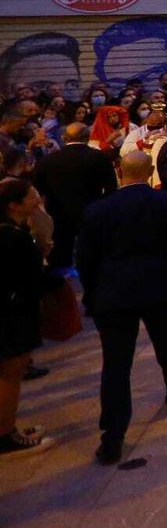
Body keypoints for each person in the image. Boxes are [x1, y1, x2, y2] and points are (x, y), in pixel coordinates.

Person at [77, 151, 167, 465]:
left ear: (120, 171)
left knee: (116, 364)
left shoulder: (97, 210)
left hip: (114, 293)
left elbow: (85, 258)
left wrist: (92, 293)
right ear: (150, 172)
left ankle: (112, 437)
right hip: (158, 286)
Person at [0, 179, 54, 456]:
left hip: (15, 309)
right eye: (31, 197)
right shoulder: (11, 236)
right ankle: (5, 434)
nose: (37, 199)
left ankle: (9, 427)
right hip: (12, 314)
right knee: (10, 371)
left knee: (13, 371)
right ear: (14, 204)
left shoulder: (17, 230)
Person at [29, 122, 117, 271]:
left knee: (60, 262)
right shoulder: (100, 158)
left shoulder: (48, 160)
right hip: (91, 212)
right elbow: (110, 189)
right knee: (92, 259)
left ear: (64, 138)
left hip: (57, 214)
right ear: (88, 137)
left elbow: (37, 190)